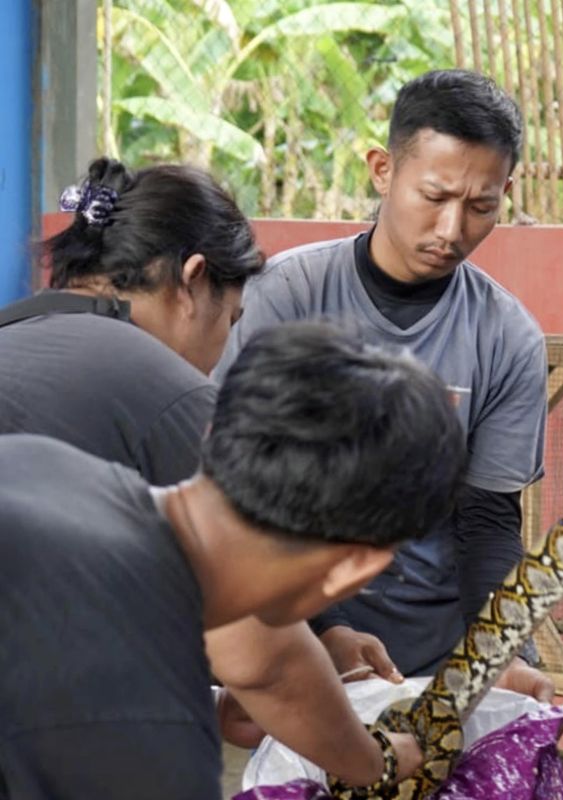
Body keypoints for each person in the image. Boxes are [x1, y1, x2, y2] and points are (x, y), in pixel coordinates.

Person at [0, 158, 409, 779]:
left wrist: (214, 699)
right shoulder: (167, 390)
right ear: (192, 281)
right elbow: (263, 654)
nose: (220, 355)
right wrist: (374, 762)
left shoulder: (17, 335)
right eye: (231, 319)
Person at [0, 322, 466, 799]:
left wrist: (372, 761)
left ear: (211, 434)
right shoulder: (154, 751)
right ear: (355, 568)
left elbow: (271, 665)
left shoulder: (46, 464)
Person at [214, 69, 551, 697]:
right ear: (382, 170)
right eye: (434, 196)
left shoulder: (508, 337)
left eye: (481, 207)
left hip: (439, 656)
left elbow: (487, 521)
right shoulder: (286, 296)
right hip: (288, 634)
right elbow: (239, 490)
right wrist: (324, 628)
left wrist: (499, 651)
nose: (452, 230)